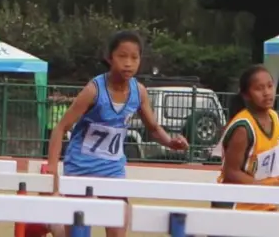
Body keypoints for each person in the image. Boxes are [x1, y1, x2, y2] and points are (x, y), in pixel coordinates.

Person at [47, 30, 189, 237]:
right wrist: (52, 168)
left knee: (118, 227)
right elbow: (61, 128)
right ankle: (52, 225)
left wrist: (170, 142)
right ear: (109, 57)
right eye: (122, 56)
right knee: (77, 229)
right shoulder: (94, 90)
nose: (128, 63)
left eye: (134, 57)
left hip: (113, 168)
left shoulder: (139, 91)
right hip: (81, 166)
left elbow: (154, 128)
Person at [213, 65, 279, 212]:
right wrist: (263, 189)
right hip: (236, 205)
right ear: (246, 95)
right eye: (259, 88)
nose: (267, 93)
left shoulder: (274, 117)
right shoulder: (243, 128)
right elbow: (231, 172)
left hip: (263, 202)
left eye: (270, 86)